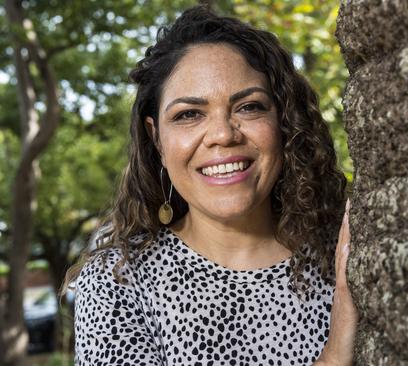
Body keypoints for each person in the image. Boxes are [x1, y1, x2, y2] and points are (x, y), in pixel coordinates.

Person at [62, 5, 357, 365]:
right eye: (189, 114)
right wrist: (336, 351)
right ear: (156, 138)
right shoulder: (119, 283)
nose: (222, 135)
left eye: (249, 107)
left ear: (283, 122)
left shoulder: (343, 256)